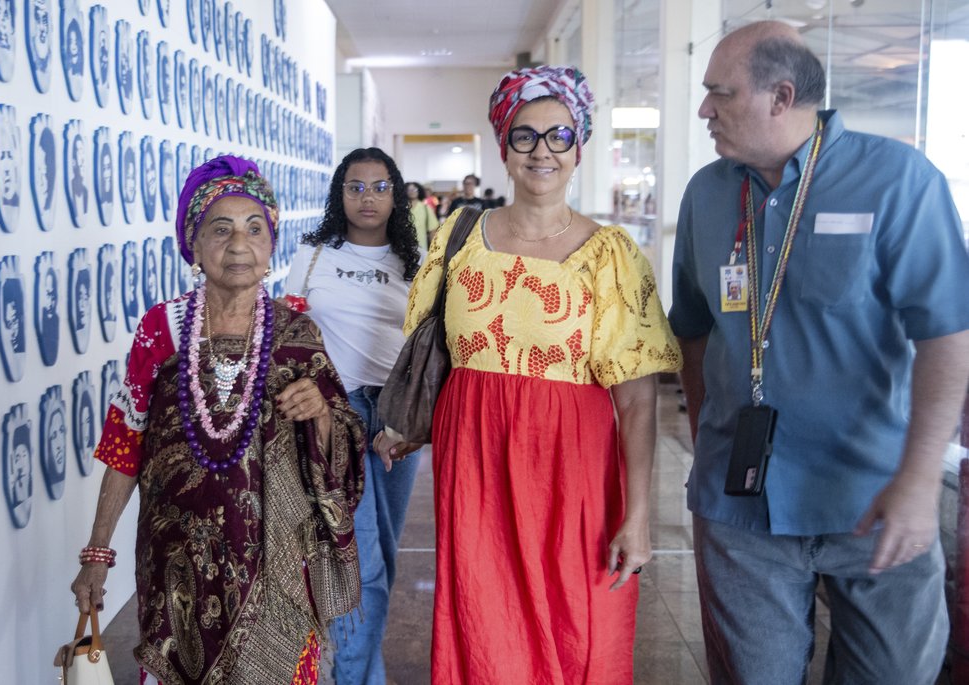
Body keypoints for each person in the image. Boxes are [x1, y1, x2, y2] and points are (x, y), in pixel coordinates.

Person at [670, 21, 969, 684]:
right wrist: (706, 437)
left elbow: (948, 333)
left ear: (781, 97)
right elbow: (690, 329)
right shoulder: (709, 194)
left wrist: (920, 483)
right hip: (741, 511)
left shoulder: (897, 181)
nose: (704, 111)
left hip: (875, 498)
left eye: (719, 93)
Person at [377, 66, 682, 683]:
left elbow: (640, 398)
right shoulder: (460, 240)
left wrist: (640, 513)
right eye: (525, 136)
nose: (542, 150)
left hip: (573, 470)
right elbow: (442, 353)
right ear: (503, 146)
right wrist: (409, 424)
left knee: (577, 615)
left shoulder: (613, 255)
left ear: (579, 146)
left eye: (559, 136)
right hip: (476, 465)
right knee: (483, 618)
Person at [59, 156, 366, 683]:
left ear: (271, 247)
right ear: (194, 247)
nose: (239, 245)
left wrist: (318, 413)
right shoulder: (163, 329)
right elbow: (125, 444)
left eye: (254, 229)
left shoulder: (297, 335)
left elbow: (342, 438)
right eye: (220, 230)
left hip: (277, 565)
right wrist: (97, 551)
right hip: (172, 561)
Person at [285, 148, 423, 685]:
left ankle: (365, 670)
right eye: (356, 187)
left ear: (397, 195)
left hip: (394, 417)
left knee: (381, 555)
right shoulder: (314, 254)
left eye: (380, 187)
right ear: (340, 194)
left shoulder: (417, 262)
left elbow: (431, 342)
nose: (368, 197)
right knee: (359, 561)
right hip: (332, 413)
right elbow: (289, 330)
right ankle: (355, 677)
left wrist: (413, 420)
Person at [405, 181, 438, 251]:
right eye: (409, 189)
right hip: (403, 249)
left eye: (415, 189)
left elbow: (432, 230)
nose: (412, 191)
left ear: (419, 191)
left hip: (421, 249)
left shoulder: (426, 208)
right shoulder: (401, 208)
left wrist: (433, 250)